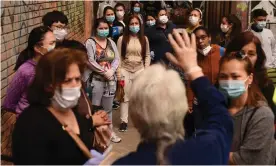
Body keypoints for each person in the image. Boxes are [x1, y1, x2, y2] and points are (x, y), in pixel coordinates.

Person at [113, 29, 233, 165]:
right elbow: (221, 116)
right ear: (181, 110)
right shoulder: (208, 150)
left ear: (135, 118)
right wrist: (193, 70)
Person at [12, 48, 104, 165]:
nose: (75, 86)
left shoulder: (73, 112)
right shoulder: (31, 122)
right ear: (48, 85)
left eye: (77, 79)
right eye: (67, 80)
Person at [218, 51, 275, 165]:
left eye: (235, 76)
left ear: (249, 78)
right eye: (223, 76)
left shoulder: (262, 114)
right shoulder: (218, 108)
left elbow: (244, 160)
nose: (229, 82)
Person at [226, 31, 276, 135]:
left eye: (251, 54)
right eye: (241, 53)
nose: (246, 58)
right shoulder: (224, 83)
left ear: (258, 57)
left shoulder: (266, 85)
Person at [2, 26, 56, 115]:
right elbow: (9, 104)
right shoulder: (26, 71)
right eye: (51, 43)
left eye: (55, 43)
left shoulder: (53, 65)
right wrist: (26, 115)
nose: (54, 47)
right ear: (37, 48)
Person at [83, 18, 121, 143]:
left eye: (106, 28)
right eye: (101, 28)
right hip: (96, 81)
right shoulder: (90, 42)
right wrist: (104, 72)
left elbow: (116, 59)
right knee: (95, 108)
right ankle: (96, 135)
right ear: (96, 29)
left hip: (110, 81)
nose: (104, 30)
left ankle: (109, 132)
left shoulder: (111, 42)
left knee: (108, 108)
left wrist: (112, 71)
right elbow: (90, 61)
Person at [116, 15, 151, 132]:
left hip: (140, 70)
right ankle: (123, 121)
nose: (134, 26)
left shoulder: (144, 39)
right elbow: (119, 57)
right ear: (128, 25)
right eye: (132, 24)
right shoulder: (122, 39)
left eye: (136, 24)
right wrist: (119, 74)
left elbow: (147, 56)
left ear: (140, 25)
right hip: (125, 69)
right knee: (124, 97)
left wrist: (146, 71)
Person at [249, 9, 276, 86]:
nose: (263, 22)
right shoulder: (249, 34)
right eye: (260, 20)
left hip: (269, 68)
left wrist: (273, 62)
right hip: (254, 70)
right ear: (254, 19)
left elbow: (274, 49)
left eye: (264, 20)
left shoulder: (269, 32)